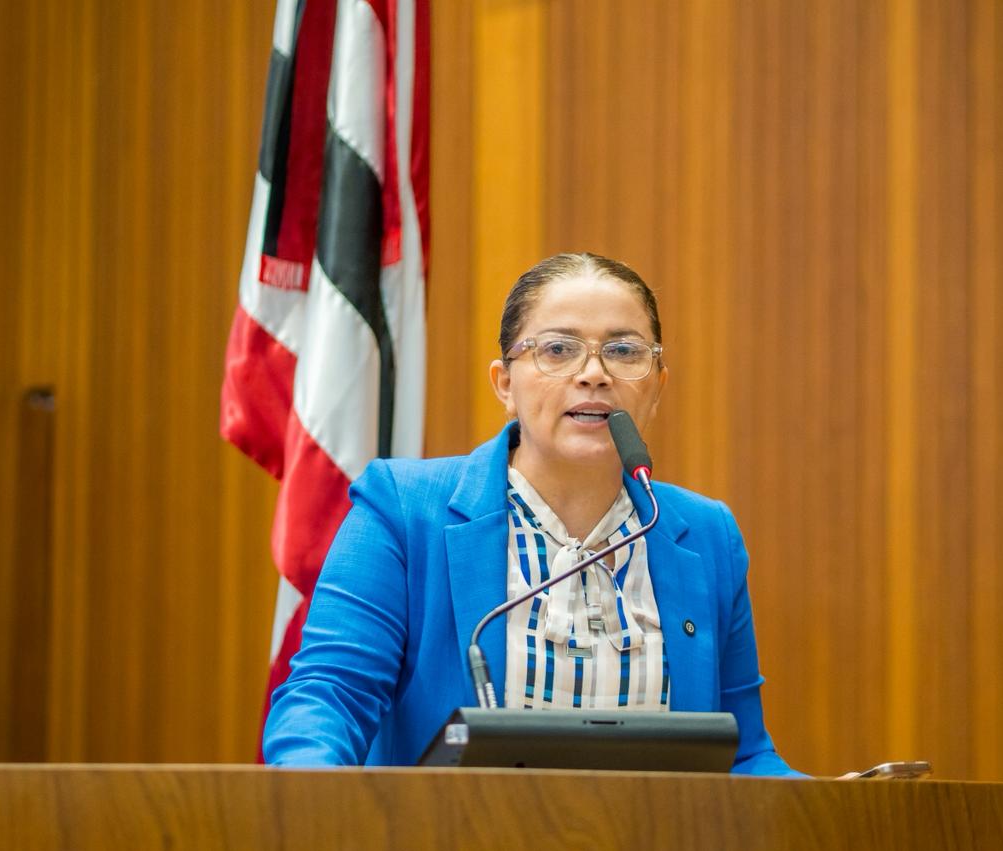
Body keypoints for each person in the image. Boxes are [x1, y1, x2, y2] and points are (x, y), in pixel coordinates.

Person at [263, 252, 799, 776]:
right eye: (559, 349)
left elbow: (744, 755)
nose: (594, 374)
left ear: (656, 387)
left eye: (623, 351)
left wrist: (828, 804)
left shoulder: (706, 536)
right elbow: (330, 695)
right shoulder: (405, 510)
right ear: (505, 384)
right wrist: (313, 800)